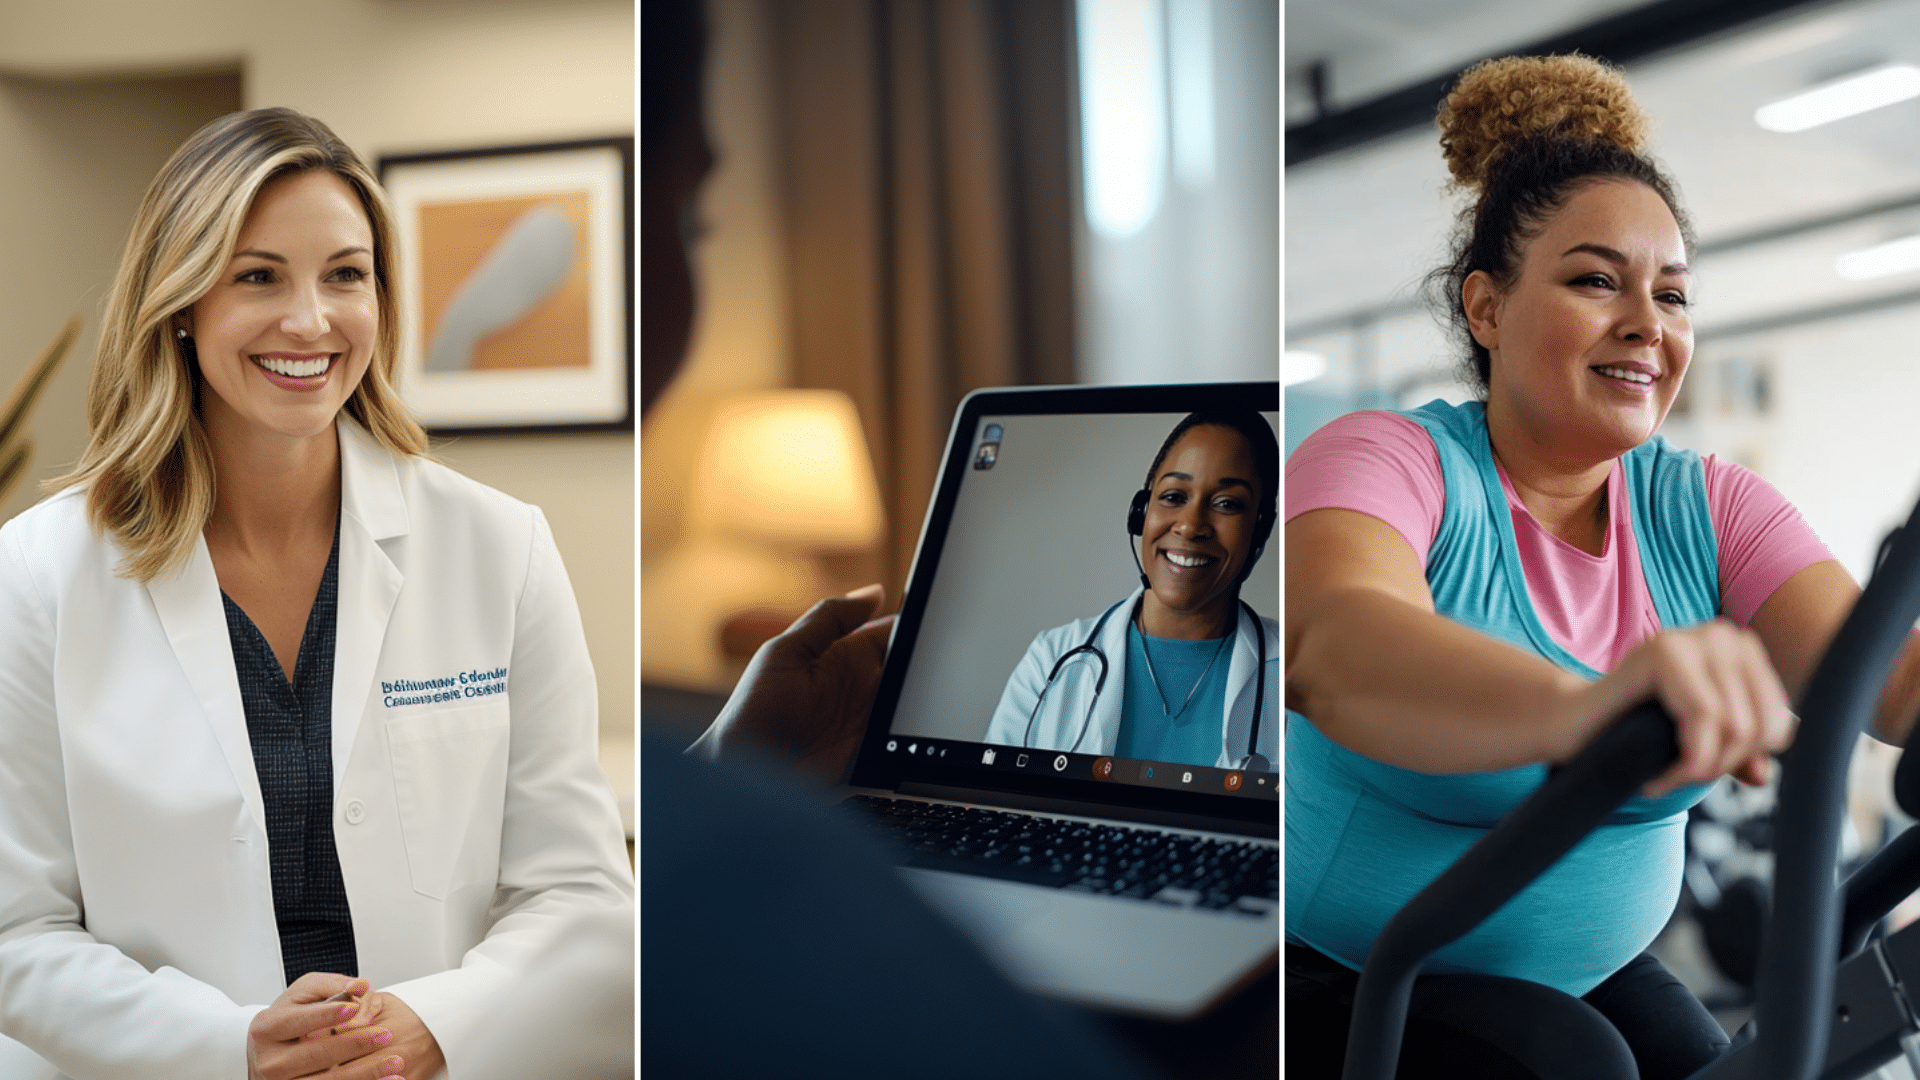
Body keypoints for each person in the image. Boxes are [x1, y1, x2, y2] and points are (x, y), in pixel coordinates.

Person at [1284, 54, 1920, 1078]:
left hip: (1601, 968)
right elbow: (1332, 641)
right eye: (1595, 281)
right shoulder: (1390, 460)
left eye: (1672, 295)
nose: (1647, 325)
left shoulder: (1707, 507)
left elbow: (1881, 676)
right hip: (1349, 976)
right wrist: (1584, 711)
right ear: (1486, 308)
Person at [0, 108, 631, 1080]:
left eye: (346, 274)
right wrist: (229, 1049)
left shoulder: (500, 548)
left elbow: (582, 898)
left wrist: (432, 1028)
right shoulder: (39, 575)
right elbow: (16, 932)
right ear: (181, 301)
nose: (311, 320)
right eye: (258, 276)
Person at [984, 411, 1279, 771]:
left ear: (1260, 530)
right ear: (1141, 512)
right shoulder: (1051, 660)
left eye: (1226, 504)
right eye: (1173, 496)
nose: (1190, 526)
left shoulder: (1293, 672)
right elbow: (998, 801)